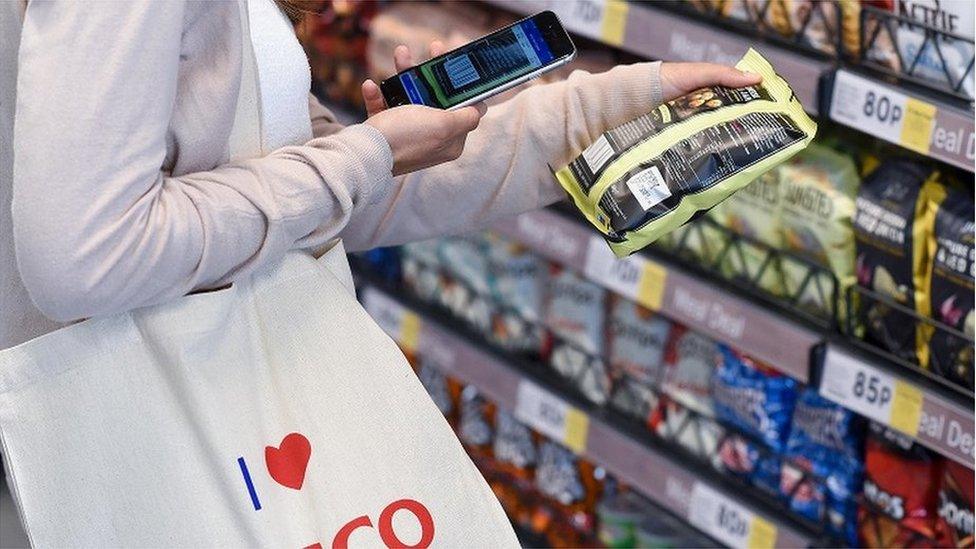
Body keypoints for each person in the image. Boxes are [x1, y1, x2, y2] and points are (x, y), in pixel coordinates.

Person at [0, 0, 759, 540]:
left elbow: (310, 205)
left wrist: (611, 106)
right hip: (139, 443)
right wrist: (367, 153)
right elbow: (87, 255)